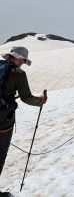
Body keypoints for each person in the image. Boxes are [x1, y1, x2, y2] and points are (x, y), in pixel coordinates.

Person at [0, 46, 47, 177]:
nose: (23, 64)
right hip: (3, 118)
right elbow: (26, 98)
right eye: (24, 61)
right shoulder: (18, 73)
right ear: (20, 59)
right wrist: (41, 101)